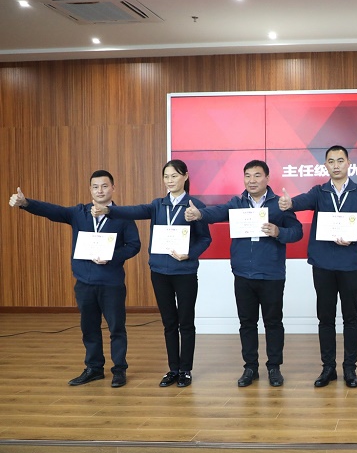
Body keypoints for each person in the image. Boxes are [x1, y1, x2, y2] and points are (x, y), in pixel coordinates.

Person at [8, 171, 141, 387]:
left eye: (104, 186)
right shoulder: (79, 213)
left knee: (117, 328)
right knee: (89, 328)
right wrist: (26, 203)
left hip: (111, 283)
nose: (100, 191)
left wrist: (112, 256)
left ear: (113, 188)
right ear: (90, 190)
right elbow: (53, 211)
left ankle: (119, 370)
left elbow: (134, 245)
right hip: (84, 283)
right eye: (95, 187)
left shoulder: (123, 216)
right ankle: (94, 368)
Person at [92, 160, 211, 388]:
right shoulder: (157, 205)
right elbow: (133, 211)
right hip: (159, 272)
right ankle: (173, 369)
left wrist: (190, 254)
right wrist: (109, 210)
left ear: (185, 176)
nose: (170, 180)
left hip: (184, 272)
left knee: (186, 322)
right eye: (166, 176)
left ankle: (185, 370)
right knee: (169, 323)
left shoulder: (195, 206)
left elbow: (205, 238)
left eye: (174, 176)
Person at [184, 160, 302, 388]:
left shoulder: (280, 204)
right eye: (247, 175)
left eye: (257, 175)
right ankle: (250, 367)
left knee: (273, 323)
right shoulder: (237, 203)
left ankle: (274, 367)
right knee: (247, 323)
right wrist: (199, 214)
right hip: (243, 274)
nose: (252, 180)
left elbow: (297, 232)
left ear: (267, 178)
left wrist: (278, 232)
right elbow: (218, 212)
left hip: (271, 274)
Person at [278, 145, 357, 388]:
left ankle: (350, 369)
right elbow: (300, 201)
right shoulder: (319, 192)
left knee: (351, 317)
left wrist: (354, 237)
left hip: (351, 263)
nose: (336, 165)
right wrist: (288, 203)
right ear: (325, 165)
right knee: (325, 317)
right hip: (323, 263)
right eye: (331, 161)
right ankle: (328, 368)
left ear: (348, 163)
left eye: (340, 160)